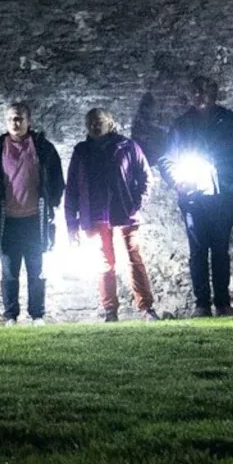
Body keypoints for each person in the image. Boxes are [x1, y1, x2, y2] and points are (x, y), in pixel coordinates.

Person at [159, 76, 233, 317]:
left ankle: (223, 303)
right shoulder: (182, 124)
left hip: (224, 195)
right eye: (195, 91)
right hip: (192, 197)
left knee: (221, 248)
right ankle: (201, 304)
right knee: (198, 250)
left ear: (214, 93)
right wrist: (177, 180)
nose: (199, 95)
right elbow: (166, 159)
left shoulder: (231, 121)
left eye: (203, 91)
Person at [63, 108, 157, 322]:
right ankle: (110, 311)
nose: (94, 126)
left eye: (99, 121)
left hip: (124, 214)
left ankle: (146, 308)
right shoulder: (81, 151)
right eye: (90, 122)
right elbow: (72, 189)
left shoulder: (127, 146)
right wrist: (71, 224)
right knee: (104, 263)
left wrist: (135, 205)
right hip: (94, 215)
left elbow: (146, 178)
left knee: (133, 259)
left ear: (110, 122)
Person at [0, 102, 66, 324]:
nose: (15, 123)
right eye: (10, 119)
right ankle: (11, 316)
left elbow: (57, 179)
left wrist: (51, 204)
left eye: (19, 119)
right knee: (9, 272)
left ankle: (37, 314)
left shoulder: (43, 148)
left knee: (37, 270)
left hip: (35, 220)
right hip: (7, 222)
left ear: (28, 121)